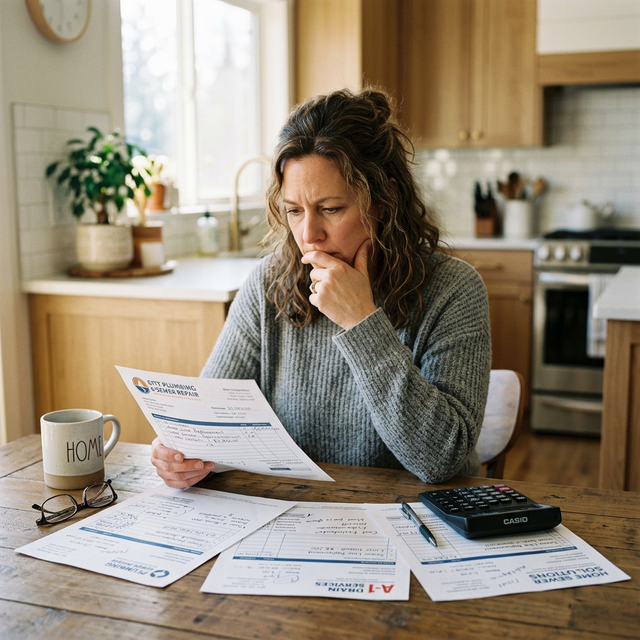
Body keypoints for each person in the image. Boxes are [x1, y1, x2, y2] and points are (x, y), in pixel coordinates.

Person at [151, 88, 491, 489]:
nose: (309, 234)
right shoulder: (267, 283)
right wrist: (182, 452)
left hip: (414, 522)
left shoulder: (455, 289)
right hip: (295, 512)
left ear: (383, 202)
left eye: (331, 209)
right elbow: (209, 421)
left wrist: (362, 320)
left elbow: (441, 460)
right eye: (294, 211)